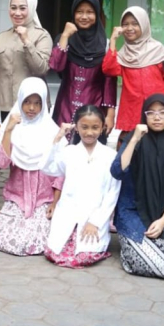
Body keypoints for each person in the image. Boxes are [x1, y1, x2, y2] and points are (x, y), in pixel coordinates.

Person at [112, 94, 164, 279]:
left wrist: (162, 222)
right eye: (151, 112)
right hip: (131, 211)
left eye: (162, 112)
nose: (157, 117)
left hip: (162, 214)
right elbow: (117, 171)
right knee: (154, 263)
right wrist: (134, 139)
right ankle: (130, 250)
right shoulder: (133, 141)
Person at [42, 106, 121, 268]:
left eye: (95, 127)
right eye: (84, 127)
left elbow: (112, 193)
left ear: (102, 128)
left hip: (94, 216)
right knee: (55, 252)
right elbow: (48, 168)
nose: (89, 132)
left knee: (85, 255)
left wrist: (96, 222)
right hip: (68, 214)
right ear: (76, 127)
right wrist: (57, 139)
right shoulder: (69, 152)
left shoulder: (110, 156)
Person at [0, 77, 60, 256]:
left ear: (43, 104)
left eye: (37, 103)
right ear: (20, 101)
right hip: (17, 199)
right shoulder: (13, 129)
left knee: (41, 239)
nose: (32, 108)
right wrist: (8, 130)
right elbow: (1, 162)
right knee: (7, 238)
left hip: (43, 200)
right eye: (27, 102)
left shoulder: (52, 131)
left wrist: (55, 202)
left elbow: (60, 173)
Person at [102, 6, 164, 138]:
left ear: (144, 25)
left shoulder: (157, 50)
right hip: (132, 111)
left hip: (157, 110)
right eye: (125, 24)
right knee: (131, 146)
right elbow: (109, 69)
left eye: (135, 24)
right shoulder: (124, 54)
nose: (129, 28)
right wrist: (113, 40)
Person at [48, 0, 116, 139]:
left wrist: (110, 114)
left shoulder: (104, 44)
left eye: (90, 12)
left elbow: (109, 81)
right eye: (79, 12)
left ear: (97, 14)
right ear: (73, 14)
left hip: (94, 111)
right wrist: (65, 36)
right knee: (62, 148)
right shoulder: (64, 39)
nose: (84, 16)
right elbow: (56, 66)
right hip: (64, 108)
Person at [0, 0, 53, 124]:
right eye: (13, 8)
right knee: (9, 138)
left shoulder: (42, 36)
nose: (17, 13)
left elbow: (41, 69)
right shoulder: (2, 37)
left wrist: (27, 41)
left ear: (31, 8)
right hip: (7, 107)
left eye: (22, 8)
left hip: (34, 107)